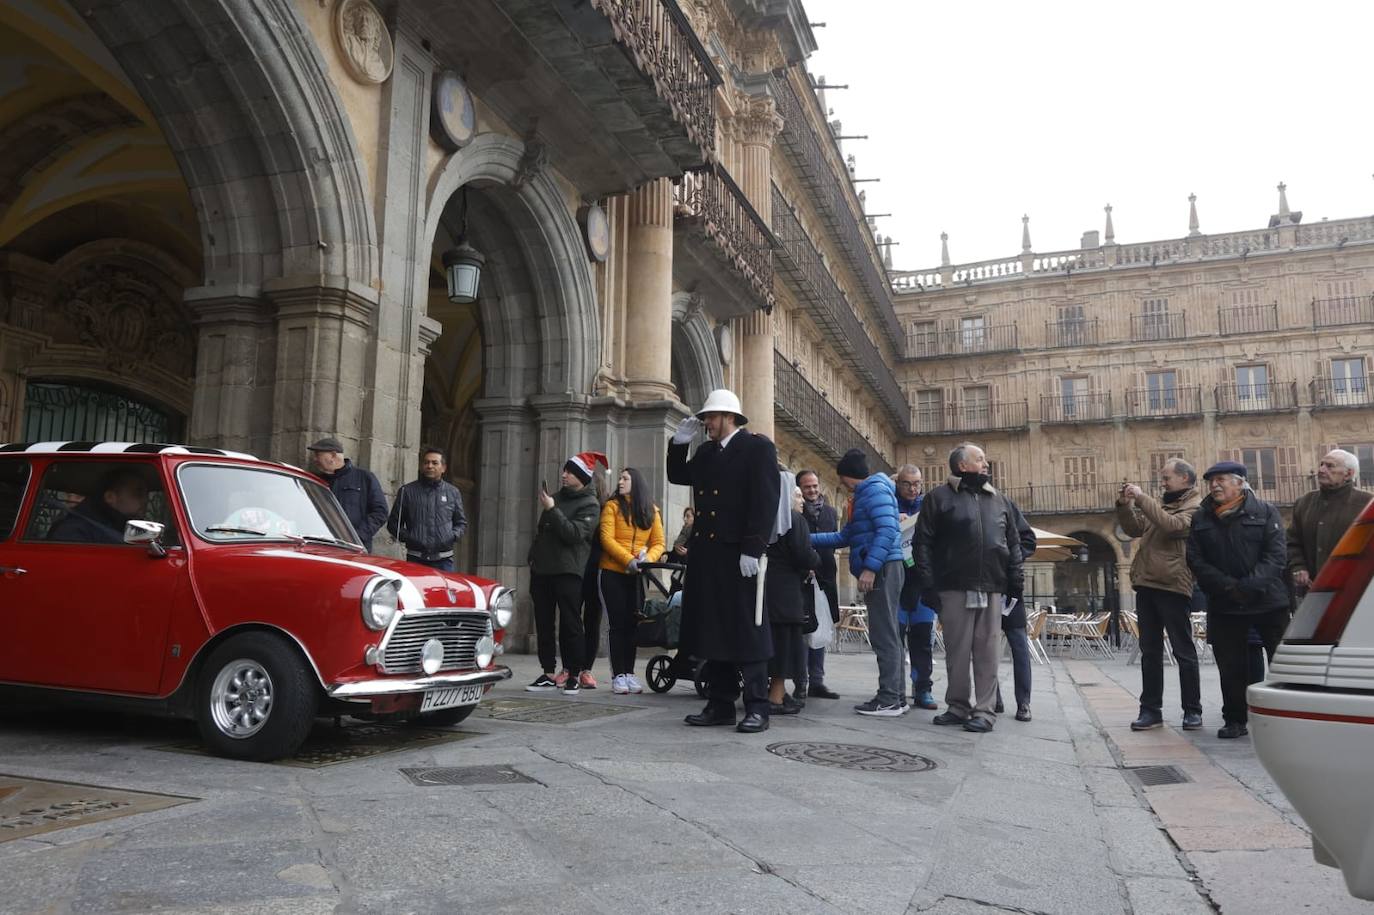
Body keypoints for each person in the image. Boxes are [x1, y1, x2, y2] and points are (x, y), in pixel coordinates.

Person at [667, 389, 780, 734]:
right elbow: (678, 476)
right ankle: (720, 703)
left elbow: (765, 500)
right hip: (709, 555)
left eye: (710, 418)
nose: (706, 424)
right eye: (704, 419)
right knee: (712, 629)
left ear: (729, 417)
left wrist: (754, 547)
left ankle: (758, 706)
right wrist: (677, 444)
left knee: (747, 629)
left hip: (739, 553)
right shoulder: (705, 452)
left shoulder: (757, 448)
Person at [914, 442, 1025, 733]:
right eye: (980, 459)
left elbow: (1013, 543)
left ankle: (984, 711)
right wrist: (928, 583)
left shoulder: (1000, 500)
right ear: (962, 465)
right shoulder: (938, 498)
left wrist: (1015, 580)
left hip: (991, 586)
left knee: (988, 651)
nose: (986, 464)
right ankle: (958, 706)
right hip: (953, 585)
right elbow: (922, 543)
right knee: (957, 651)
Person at [1186, 462, 1289, 739]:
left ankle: (1285, 716)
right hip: (1224, 603)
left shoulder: (1266, 512)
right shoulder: (1201, 518)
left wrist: (1249, 586)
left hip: (1268, 602)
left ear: (1240, 483)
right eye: (1211, 482)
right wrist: (1229, 588)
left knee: (1280, 662)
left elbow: (1276, 557)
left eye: (1221, 480)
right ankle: (1235, 718)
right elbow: (1196, 560)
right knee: (1230, 667)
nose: (1214, 486)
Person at [810, 448, 906, 717]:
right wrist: (805, 537)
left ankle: (888, 699)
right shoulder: (868, 494)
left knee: (883, 634)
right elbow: (845, 536)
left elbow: (888, 530)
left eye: (842, 479)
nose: (842, 485)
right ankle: (896, 695)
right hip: (886, 566)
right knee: (890, 634)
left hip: (884, 567)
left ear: (849, 477)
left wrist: (871, 568)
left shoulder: (874, 491)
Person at [1116, 458, 1204, 732]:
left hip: (1173, 584)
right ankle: (1150, 710)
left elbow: (1171, 526)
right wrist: (1125, 505)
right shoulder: (1160, 504)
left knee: (1183, 650)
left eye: (1167, 477)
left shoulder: (1195, 507)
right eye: (1162, 478)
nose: (1162, 482)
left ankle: (1192, 710)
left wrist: (1141, 498)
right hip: (1146, 584)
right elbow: (1133, 529)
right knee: (1149, 651)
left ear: (1185, 479)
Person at [525, 451, 605, 695]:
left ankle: (574, 672)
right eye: (564, 470)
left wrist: (552, 509)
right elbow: (542, 531)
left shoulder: (590, 503)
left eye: (569, 472)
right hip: (543, 570)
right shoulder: (556, 497)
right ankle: (548, 671)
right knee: (544, 622)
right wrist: (533, 557)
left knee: (571, 623)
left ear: (581, 476)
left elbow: (573, 534)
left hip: (569, 570)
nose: (564, 475)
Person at [598, 466, 665, 695]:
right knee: (617, 625)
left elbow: (659, 543)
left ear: (636, 482)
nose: (620, 481)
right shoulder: (612, 507)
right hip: (612, 572)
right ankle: (618, 674)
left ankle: (629, 673)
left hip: (638, 576)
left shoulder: (651, 511)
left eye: (625, 478)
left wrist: (648, 558)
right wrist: (628, 559)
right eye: (619, 478)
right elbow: (606, 538)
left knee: (633, 623)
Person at [766, 480, 819, 715]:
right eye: (797, 496)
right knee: (784, 646)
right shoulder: (794, 520)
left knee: (771, 643)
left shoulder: (767, 517)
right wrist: (816, 560)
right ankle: (775, 697)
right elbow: (803, 555)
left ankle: (775, 694)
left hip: (766, 590)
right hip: (787, 593)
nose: (801, 501)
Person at [1288, 449, 1373, 595]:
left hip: (1356, 592)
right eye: (1321, 464)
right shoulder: (1304, 503)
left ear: (1349, 474)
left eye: (1330, 466)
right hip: (1312, 591)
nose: (1321, 470)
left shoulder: (1367, 504)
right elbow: (1292, 541)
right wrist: (1298, 567)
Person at [894, 464, 938, 709]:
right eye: (907, 483)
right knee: (896, 638)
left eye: (917, 483)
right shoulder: (889, 506)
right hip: (897, 583)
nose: (913, 488)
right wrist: (894, 520)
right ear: (898, 484)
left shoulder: (929, 508)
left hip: (922, 583)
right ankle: (895, 688)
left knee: (922, 639)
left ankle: (923, 688)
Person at [796, 470, 841, 701]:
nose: (812, 490)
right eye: (807, 487)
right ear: (799, 490)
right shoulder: (795, 512)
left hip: (825, 578)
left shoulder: (831, 512)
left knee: (821, 629)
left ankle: (817, 681)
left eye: (814, 486)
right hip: (802, 578)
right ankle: (801, 681)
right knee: (805, 629)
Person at [385, 447, 467, 570]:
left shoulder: (453, 492)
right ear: (421, 466)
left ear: (443, 468)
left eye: (434, 463)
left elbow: (461, 523)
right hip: (415, 559)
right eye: (426, 462)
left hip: (444, 560)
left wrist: (450, 536)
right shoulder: (407, 491)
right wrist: (411, 538)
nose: (429, 466)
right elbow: (393, 524)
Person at [995, 505, 1037, 722]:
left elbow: (1029, 540)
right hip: (984, 586)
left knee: (1019, 646)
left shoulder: (1006, 505)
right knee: (986, 646)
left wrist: (1011, 555)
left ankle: (1024, 702)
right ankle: (994, 698)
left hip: (1011, 589)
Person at [307, 436, 387, 551]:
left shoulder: (365, 478)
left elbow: (380, 512)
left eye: (318, 454)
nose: (314, 459)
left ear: (333, 455)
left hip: (354, 550)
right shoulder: (315, 481)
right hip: (320, 547)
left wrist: (356, 537)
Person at [577, 469, 613, 689]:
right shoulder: (579, 507)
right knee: (573, 620)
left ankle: (586, 669)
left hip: (595, 570)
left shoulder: (606, 509)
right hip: (578, 568)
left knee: (592, 620)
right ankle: (573, 667)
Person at [48, 468, 149, 544]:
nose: (145, 500)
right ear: (110, 497)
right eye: (138, 493)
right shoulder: (75, 531)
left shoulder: (124, 528)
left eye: (146, 494)